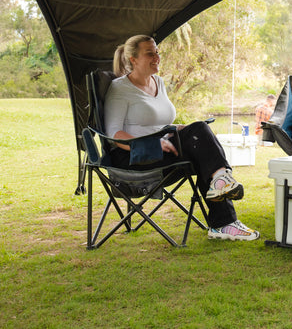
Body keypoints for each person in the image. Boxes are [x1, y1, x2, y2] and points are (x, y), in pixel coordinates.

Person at [103, 34, 259, 241]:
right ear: (133, 59)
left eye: (157, 52)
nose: (157, 57)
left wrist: (176, 128)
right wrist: (152, 144)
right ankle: (223, 219)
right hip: (137, 157)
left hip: (165, 149)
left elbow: (155, 122)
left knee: (199, 135)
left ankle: (221, 195)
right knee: (200, 141)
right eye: (150, 53)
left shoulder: (158, 82)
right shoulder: (120, 88)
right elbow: (114, 135)